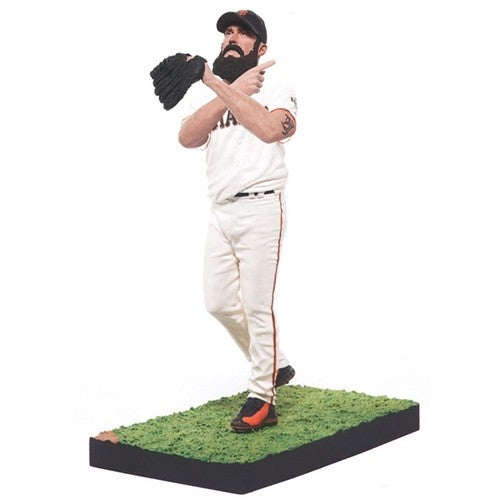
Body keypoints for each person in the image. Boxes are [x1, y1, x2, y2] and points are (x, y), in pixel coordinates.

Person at [178, 10, 298, 432]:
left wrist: (216, 84)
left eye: (243, 33)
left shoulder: (277, 86)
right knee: (218, 303)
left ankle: (263, 398)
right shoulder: (221, 93)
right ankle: (275, 364)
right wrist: (224, 90)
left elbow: (270, 129)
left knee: (257, 306)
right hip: (220, 210)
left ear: (260, 48)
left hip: (261, 207)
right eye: (228, 31)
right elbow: (187, 137)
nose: (232, 38)